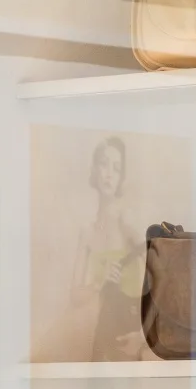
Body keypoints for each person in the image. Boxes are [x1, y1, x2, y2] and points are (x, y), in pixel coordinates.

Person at [71, 136, 145, 361]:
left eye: (116, 168)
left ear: (121, 177)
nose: (109, 173)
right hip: (101, 334)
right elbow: (74, 296)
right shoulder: (87, 231)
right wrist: (98, 281)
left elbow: (160, 274)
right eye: (104, 164)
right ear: (94, 169)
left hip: (128, 334)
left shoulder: (128, 221)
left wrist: (144, 335)